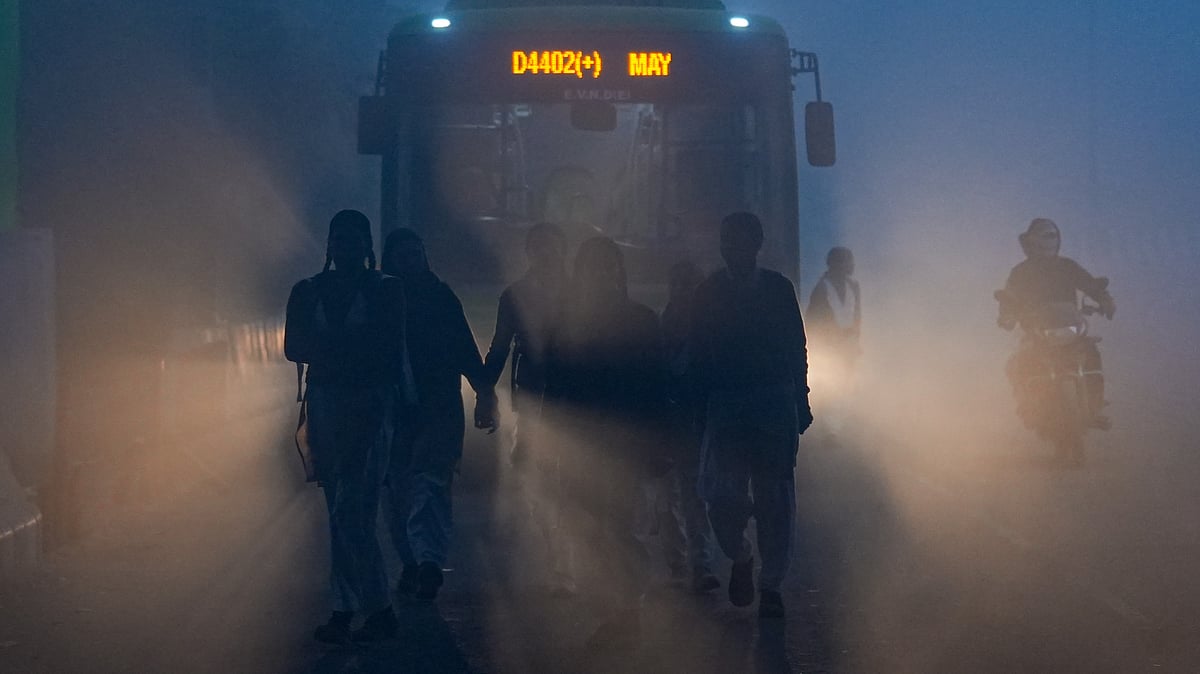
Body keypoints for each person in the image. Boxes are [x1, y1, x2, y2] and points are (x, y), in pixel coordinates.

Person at [688, 211, 813, 619]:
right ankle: (740, 554)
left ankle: (771, 584)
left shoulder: (779, 289)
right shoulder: (708, 292)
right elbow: (699, 353)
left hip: (773, 402)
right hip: (726, 404)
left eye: (738, 240)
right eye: (726, 240)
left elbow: (796, 348)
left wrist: (801, 399)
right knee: (721, 497)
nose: (731, 247)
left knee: (775, 499)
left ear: (756, 244)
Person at [284, 209, 402, 643]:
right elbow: (378, 348)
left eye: (353, 239)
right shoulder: (383, 291)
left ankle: (362, 607)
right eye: (341, 239)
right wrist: (354, 350)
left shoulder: (310, 291)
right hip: (343, 403)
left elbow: (300, 346)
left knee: (348, 509)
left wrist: (329, 351)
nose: (346, 247)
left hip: (359, 405)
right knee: (348, 510)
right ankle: (361, 607)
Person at [543, 235, 667, 647]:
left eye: (607, 265)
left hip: (621, 441)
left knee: (613, 525)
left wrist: (658, 441)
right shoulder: (571, 323)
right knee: (593, 528)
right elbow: (554, 390)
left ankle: (623, 608)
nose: (601, 273)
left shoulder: (640, 321)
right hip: (584, 441)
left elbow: (656, 389)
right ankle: (622, 605)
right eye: (593, 266)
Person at [380, 228, 498, 604]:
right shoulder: (396, 298)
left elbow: (463, 348)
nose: (410, 261)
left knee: (424, 484)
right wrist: (482, 390)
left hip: (432, 407)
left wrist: (483, 391)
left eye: (415, 254)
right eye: (405, 254)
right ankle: (419, 560)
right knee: (403, 488)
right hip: (402, 407)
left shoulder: (432, 298)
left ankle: (424, 561)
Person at [481, 222, 572, 589]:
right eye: (540, 247)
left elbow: (501, 348)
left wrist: (486, 389)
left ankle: (560, 560)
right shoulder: (526, 294)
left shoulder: (518, 294)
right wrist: (486, 390)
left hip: (555, 396)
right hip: (543, 397)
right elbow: (500, 348)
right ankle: (560, 559)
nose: (546, 254)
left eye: (550, 247)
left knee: (549, 478)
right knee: (546, 478)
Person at [996, 217, 1115, 427]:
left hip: (1071, 330)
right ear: (1030, 243)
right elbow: (1010, 297)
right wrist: (1007, 315)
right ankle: (1028, 406)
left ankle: (1095, 405)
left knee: (1092, 354)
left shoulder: (1068, 266)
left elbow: (1090, 284)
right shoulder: (1020, 272)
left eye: (1051, 237)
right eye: (1042, 239)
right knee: (1020, 362)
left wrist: (1105, 300)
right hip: (1037, 332)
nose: (1047, 243)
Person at [652, 260, 720, 593]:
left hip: (683, 422)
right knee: (678, 497)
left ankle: (692, 560)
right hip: (680, 422)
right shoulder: (694, 328)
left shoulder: (669, 326)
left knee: (683, 496)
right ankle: (691, 561)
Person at [805, 246, 862, 436]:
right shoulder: (822, 289)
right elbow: (813, 321)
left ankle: (840, 426)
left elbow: (857, 316)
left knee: (846, 385)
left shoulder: (854, 287)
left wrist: (855, 340)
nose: (852, 265)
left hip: (848, 345)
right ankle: (830, 429)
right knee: (832, 385)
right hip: (830, 346)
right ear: (837, 264)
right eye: (848, 261)